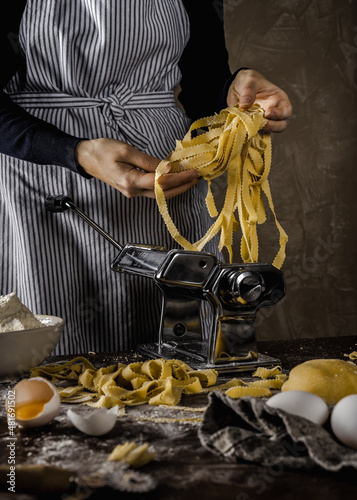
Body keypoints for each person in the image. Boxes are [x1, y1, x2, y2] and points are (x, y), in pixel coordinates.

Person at [0, 0, 292, 355]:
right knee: (61, 367)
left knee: (181, 352)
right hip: (43, 168)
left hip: (168, 176)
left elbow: (204, 81)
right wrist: (73, 151)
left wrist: (236, 91)